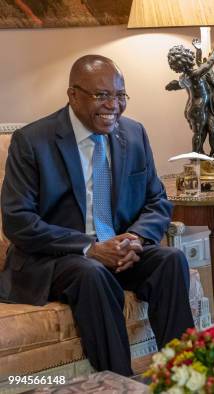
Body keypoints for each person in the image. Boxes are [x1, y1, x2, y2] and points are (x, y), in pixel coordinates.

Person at [0, 55, 194, 376]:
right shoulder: (33, 142)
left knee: (170, 260)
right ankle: (118, 380)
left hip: (117, 251)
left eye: (120, 96)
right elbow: (19, 221)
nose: (113, 106)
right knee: (92, 273)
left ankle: (186, 374)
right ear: (73, 95)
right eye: (102, 95)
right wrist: (90, 248)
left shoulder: (133, 134)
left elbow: (156, 200)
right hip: (57, 258)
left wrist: (136, 238)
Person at [165, 39, 214, 154]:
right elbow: (208, 64)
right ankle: (196, 154)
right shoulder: (195, 75)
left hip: (192, 107)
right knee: (199, 133)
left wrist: (198, 50)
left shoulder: (184, 77)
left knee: (202, 132)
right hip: (198, 108)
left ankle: (199, 153)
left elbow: (201, 65)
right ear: (187, 58)